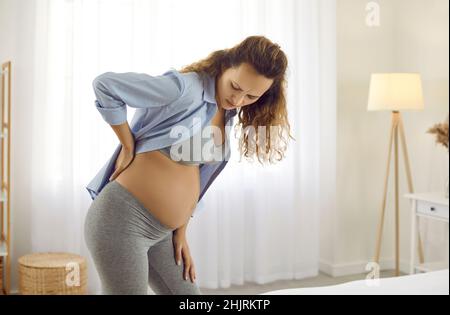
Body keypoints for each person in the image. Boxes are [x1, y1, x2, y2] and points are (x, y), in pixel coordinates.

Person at [84, 35, 292, 295]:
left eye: (251, 96)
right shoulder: (184, 88)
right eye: (235, 87)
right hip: (121, 221)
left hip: (164, 234)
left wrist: (180, 231)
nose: (239, 100)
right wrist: (127, 144)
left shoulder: (226, 113)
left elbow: (195, 178)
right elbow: (105, 85)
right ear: (226, 65)